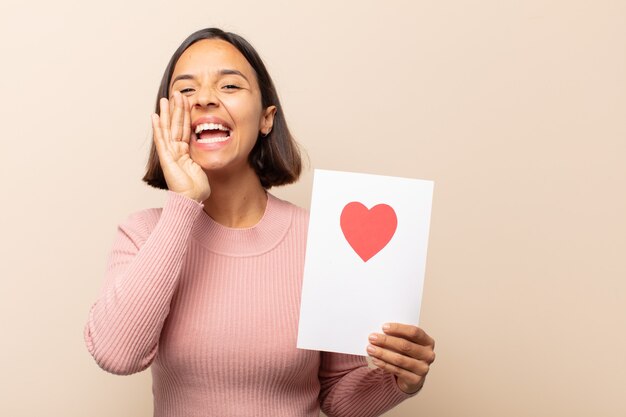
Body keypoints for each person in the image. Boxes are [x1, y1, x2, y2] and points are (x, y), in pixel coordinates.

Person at [84, 28, 435, 417]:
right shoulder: (143, 234)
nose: (204, 98)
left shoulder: (322, 239)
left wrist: (400, 380)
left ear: (267, 118)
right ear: (167, 119)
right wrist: (183, 202)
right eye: (185, 91)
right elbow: (117, 355)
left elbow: (337, 396)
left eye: (230, 85)